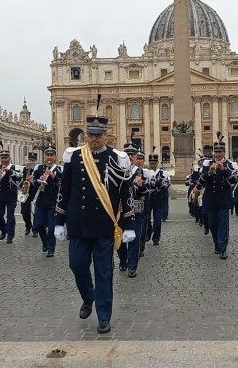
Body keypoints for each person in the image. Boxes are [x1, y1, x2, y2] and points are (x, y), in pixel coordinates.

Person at [54, 114, 136, 334]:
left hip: (103, 224)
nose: (94, 139)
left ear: (105, 135)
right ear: (85, 134)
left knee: (104, 272)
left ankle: (104, 316)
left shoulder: (117, 158)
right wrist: (59, 221)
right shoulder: (74, 157)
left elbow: (126, 192)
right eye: (91, 134)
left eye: (98, 135)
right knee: (77, 266)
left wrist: (128, 224)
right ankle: (88, 297)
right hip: (78, 224)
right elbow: (64, 189)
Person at [196, 134, 238, 259]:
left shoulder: (231, 165)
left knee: (223, 225)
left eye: (220, 152)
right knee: (213, 224)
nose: (218, 154)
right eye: (216, 151)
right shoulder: (207, 164)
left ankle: (223, 248)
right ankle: (216, 243)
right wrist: (209, 172)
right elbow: (201, 182)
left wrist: (223, 170)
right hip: (210, 200)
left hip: (224, 200)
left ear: (224, 152)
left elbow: (233, 182)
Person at [117, 142, 150, 277]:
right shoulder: (116, 171)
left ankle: (132, 266)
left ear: (137, 157)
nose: (130, 157)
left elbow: (148, 192)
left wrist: (141, 186)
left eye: (133, 155)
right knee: (119, 239)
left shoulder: (143, 172)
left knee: (134, 239)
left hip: (136, 210)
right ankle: (123, 260)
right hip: (120, 211)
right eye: (127, 154)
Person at [29, 146, 62, 256]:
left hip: (53, 201)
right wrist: (38, 180)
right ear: (44, 157)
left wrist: (54, 177)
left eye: (51, 155)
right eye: (47, 155)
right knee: (39, 224)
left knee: (51, 227)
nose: (49, 157)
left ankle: (51, 249)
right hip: (41, 200)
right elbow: (34, 183)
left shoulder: (58, 169)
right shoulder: (39, 169)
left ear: (55, 157)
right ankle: (45, 242)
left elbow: (62, 184)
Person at [0, 149, 23, 244]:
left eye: (6, 158)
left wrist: (9, 171)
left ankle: (10, 235)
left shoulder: (15, 167)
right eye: (2, 158)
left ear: (9, 158)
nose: (4, 160)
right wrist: (0, 173)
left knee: (10, 216)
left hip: (11, 195)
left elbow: (19, 177)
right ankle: (3, 229)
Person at [148, 151, 170, 246]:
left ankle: (156, 238)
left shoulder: (163, 173)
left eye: (154, 163)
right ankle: (148, 232)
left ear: (157, 163)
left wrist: (157, 183)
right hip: (148, 199)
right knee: (146, 220)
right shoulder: (145, 173)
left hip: (158, 198)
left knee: (157, 221)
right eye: (151, 163)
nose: (152, 165)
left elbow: (167, 185)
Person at [21, 152, 39, 236]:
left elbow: (41, 181)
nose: (31, 161)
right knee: (24, 211)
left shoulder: (39, 168)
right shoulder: (25, 169)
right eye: (30, 160)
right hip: (25, 191)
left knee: (35, 211)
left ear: (36, 160)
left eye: (33, 160)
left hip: (35, 191)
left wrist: (33, 180)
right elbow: (20, 181)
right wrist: (26, 179)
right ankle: (28, 225)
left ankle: (35, 229)